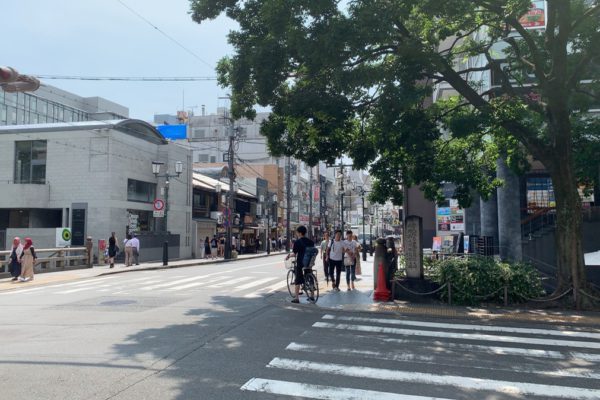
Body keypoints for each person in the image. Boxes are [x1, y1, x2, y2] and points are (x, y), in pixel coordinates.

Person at [286, 225, 315, 303]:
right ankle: (312, 295)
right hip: (309, 262)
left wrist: (288, 256)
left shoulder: (297, 242)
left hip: (301, 262)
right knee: (309, 276)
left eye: (297, 232)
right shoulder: (311, 242)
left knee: (298, 279)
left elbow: (294, 254)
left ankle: (296, 298)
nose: (296, 234)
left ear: (299, 233)